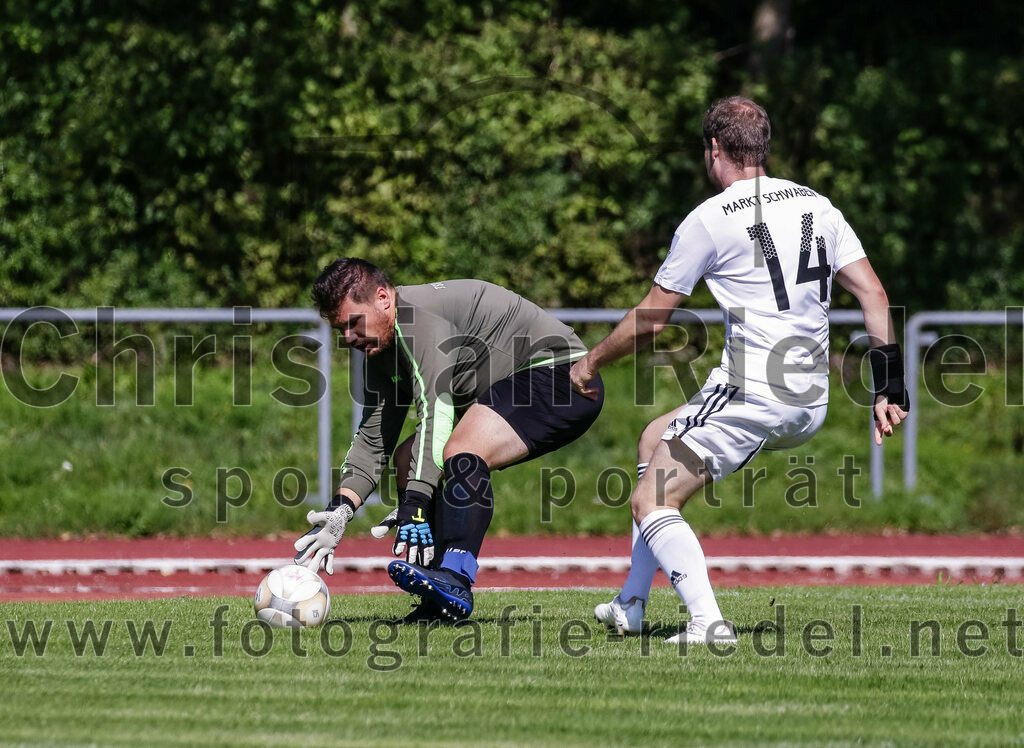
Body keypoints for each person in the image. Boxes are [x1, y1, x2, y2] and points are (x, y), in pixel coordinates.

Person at [570, 96, 909, 645]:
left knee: (652, 499)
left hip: (756, 392)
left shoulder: (707, 219)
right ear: (763, 147)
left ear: (715, 149)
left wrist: (588, 363)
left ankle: (707, 623)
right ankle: (632, 602)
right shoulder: (818, 206)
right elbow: (874, 293)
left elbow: (651, 320)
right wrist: (889, 386)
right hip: (809, 398)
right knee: (654, 438)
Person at [294, 258, 604, 621]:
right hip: (514, 388)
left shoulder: (417, 320)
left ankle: (455, 575)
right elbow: (375, 436)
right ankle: (439, 597)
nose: (348, 338)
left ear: (383, 298)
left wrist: (416, 500)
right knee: (408, 457)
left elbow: (436, 413)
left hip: (564, 378)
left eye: (352, 323)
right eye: (339, 330)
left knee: (459, 449)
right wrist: (340, 510)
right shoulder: (381, 345)